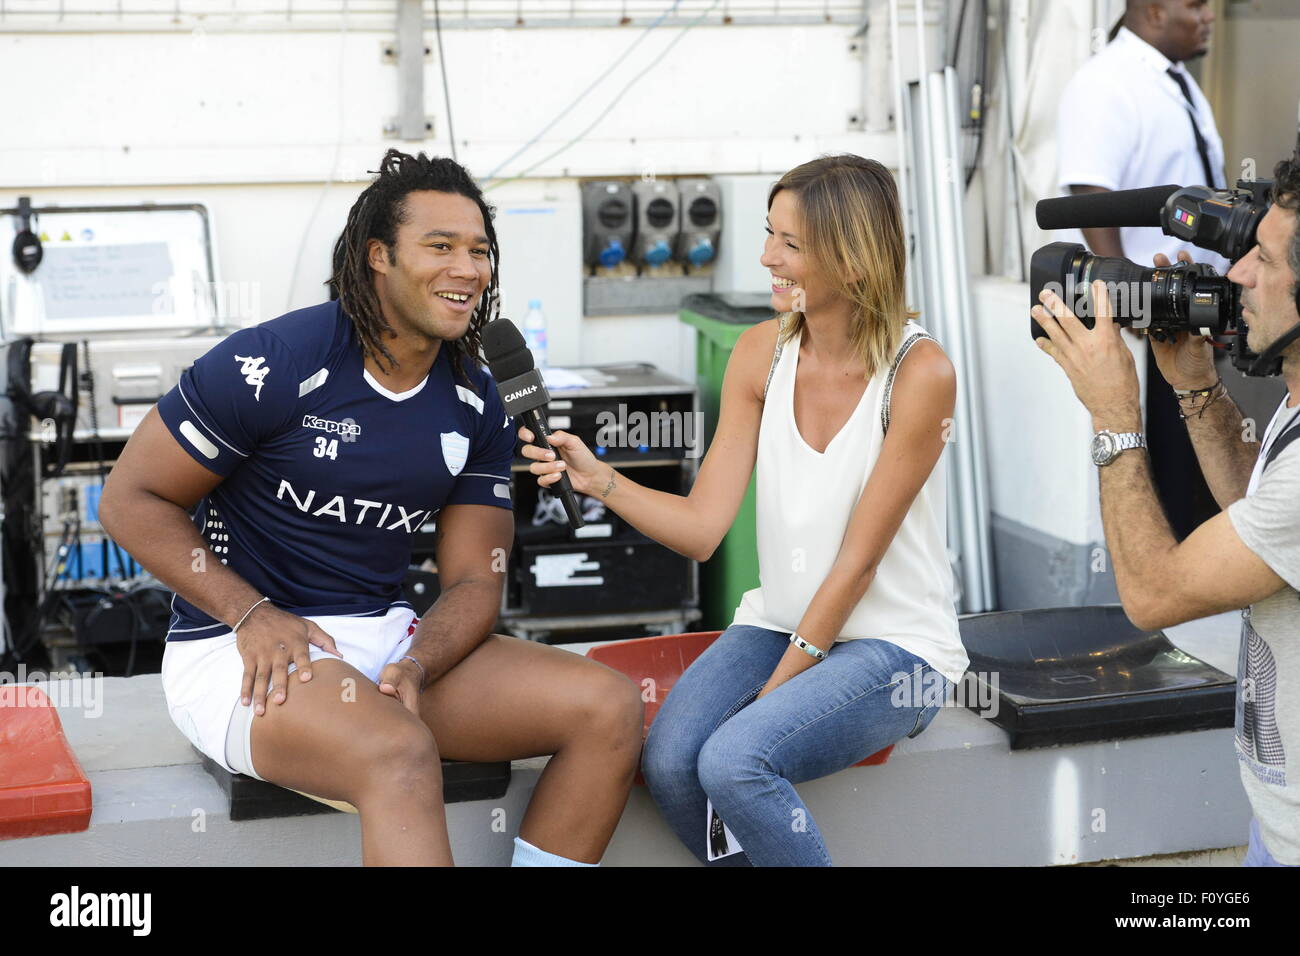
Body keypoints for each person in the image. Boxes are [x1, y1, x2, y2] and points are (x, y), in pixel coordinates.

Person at [99, 149, 643, 867]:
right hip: (237, 649)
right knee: (399, 750)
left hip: (384, 645)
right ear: (378, 256)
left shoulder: (479, 398)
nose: (468, 269)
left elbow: (477, 580)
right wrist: (250, 612)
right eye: (440, 246)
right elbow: (129, 499)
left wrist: (416, 664)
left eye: (479, 250)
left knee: (608, 708)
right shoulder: (274, 362)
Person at [519, 154, 967, 866]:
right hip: (780, 621)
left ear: (852, 261)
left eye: (790, 244)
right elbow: (701, 530)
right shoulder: (760, 355)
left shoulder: (920, 375)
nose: (766, 257)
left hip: (895, 647)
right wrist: (599, 480)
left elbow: (857, 564)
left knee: (733, 760)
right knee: (669, 759)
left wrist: (775, 692)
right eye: (769, 235)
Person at [1031, 151, 1300, 867]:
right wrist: (1195, 388)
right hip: (1276, 825)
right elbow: (1259, 508)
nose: (1237, 273)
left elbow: (1152, 594)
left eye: (1264, 262)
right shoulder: (1297, 408)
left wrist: (1114, 414)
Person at [1056, 0, 1227, 542]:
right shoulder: (1106, 81)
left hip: (1199, 301)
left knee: (1207, 448)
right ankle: (1185, 582)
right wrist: (1123, 290)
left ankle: (1212, 572)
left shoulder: (1174, 79)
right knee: (1176, 459)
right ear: (1154, 9)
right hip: (1158, 308)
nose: (1209, 17)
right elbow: (1090, 189)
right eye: (1196, 5)